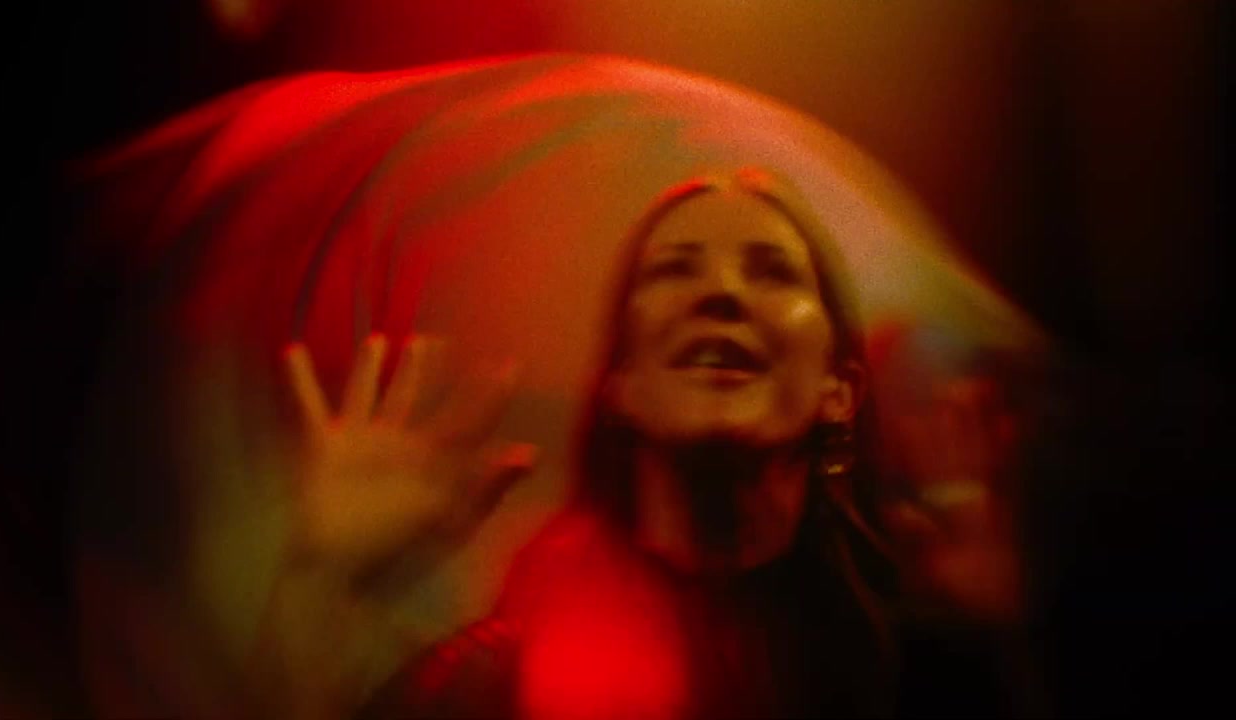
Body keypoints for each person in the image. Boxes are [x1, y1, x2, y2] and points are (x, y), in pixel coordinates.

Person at [250, 167, 1030, 719]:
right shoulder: (500, 681)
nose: (721, 292)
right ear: (619, 384)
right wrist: (319, 577)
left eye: (772, 273)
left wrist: (994, 654)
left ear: (840, 390)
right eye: (674, 270)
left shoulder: (912, 668)